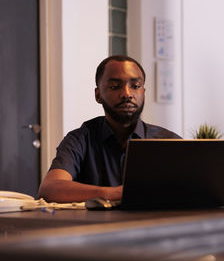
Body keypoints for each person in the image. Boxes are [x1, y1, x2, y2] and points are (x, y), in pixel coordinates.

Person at [38, 55, 181, 203]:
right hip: (97, 226)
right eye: (115, 87)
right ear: (98, 95)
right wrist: (118, 193)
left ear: (143, 92)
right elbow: (50, 188)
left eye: (136, 86)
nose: (127, 94)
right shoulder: (80, 139)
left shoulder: (169, 141)